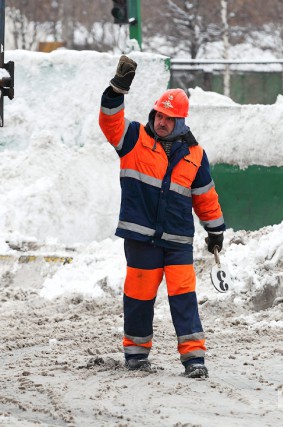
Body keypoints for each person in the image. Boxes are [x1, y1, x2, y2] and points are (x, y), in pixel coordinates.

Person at [98, 55, 227, 379]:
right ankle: (136, 354)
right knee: (139, 298)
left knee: (184, 299)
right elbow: (109, 121)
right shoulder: (133, 139)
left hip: (178, 241)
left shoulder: (195, 155)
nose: (161, 121)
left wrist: (215, 231)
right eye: (159, 115)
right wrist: (117, 89)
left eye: (169, 118)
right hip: (141, 237)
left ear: (181, 121)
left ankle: (194, 359)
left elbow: (205, 196)